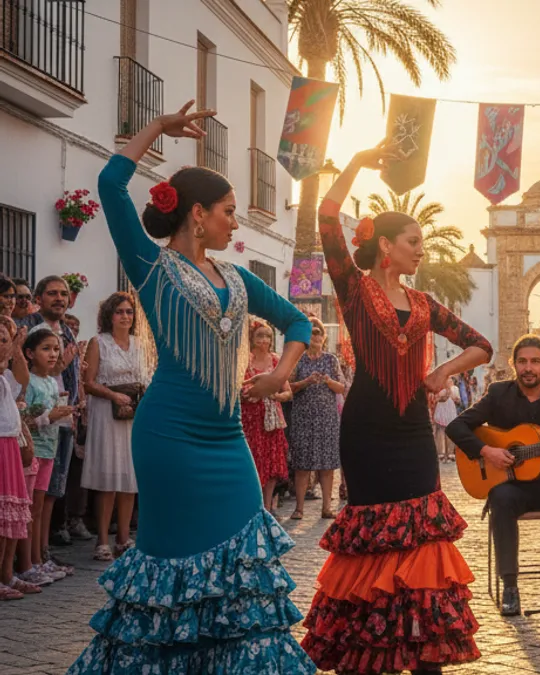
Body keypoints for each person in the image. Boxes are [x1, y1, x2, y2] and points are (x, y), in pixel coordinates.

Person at [69, 105, 316, 674]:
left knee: (243, 561)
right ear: (198, 215)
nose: (237, 222)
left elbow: (297, 323)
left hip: (227, 440)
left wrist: (281, 375)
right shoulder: (151, 266)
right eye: (230, 212)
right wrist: (155, 129)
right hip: (169, 437)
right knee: (171, 566)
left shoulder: (238, 279)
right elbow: (110, 184)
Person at [300, 142, 491, 675]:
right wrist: (358, 162)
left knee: (423, 541)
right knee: (371, 546)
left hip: (412, 435)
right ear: (386, 246)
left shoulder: (426, 305)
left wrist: (442, 373)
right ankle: (373, 659)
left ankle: (423, 657)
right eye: (414, 242)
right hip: (364, 431)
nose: (421, 250)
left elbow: (481, 344)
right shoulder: (354, 292)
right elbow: (327, 217)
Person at [446, 334, 540, 616]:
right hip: (511, 485)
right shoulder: (497, 394)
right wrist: (486, 451)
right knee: (501, 499)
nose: (529, 368)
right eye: (523, 361)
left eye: (535, 362)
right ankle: (510, 586)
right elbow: (456, 427)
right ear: (514, 364)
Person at [17, 276, 88, 548]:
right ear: (39, 298)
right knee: (34, 492)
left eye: (63, 294)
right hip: (36, 417)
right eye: (52, 293)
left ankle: (43, 550)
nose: (59, 299)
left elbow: (70, 374)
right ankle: (31, 555)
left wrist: (76, 409)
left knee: (54, 487)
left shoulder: (68, 332)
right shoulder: (27, 327)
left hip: (63, 416)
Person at [80, 292, 146, 561]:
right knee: (108, 479)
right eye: (119, 311)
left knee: (129, 478)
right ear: (109, 315)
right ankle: (102, 540)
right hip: (107, 414)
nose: (125, 316)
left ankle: (123, 538)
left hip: (133, 415)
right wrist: (113, 395)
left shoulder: (141, 345)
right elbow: (88, 382)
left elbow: (147, 376)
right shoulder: (99, 343)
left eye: (129, 312)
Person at [288, 318, 344, 519]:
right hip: (303, 417)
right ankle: (299, 508)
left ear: (324, 336)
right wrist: (306, 381)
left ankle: (327, 507)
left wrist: (329, 381)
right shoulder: (298, 359)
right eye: (312, 332)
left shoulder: (331, 360)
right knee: (302, 464)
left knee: (327, 464)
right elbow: (288, 387)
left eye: (319, 332)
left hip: (327, 417)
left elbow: (342, 387)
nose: (316, 336)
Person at [241, 321, 292, 512]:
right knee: (253, 460)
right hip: (250, 417)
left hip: (271, 420)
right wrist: (246, 393)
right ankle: (251, 505)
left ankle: (267, 505)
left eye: (268, 336)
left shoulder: (275, 361)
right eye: (260, 335)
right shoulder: (245, 360)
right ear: (252, 339)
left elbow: (288, 392)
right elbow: (237, 388)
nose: (264, 340)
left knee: (271, 464)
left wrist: (276, 396)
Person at [0, 318, 34, 599]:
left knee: (13, 515)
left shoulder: (5, 375)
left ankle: (7, 574)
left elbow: (22, 379)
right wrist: (10, 348)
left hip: (9, 444)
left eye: (4, 340)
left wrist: (17, 350)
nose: (3, 346)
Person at [432, 380, 460, 463]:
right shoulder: (438, 389)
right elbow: (435, 399)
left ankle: (450, 453)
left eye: (450, 381)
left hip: (450, 410)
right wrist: (442, 396)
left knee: (450, 432)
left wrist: (454, 398)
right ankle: (441, 453)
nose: (448, 382)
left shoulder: (455, 389)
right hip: (441, 410)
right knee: (440, 432)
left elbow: (458, 401)